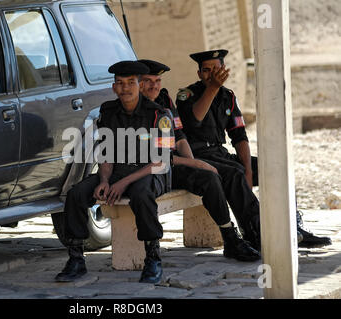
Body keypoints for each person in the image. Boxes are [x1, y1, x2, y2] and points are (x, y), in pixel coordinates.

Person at [176, 49, 331, 248]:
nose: (212, 75)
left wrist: (249, 169)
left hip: (220, 153)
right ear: (199, 74)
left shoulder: (228, 97)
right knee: (234, 173)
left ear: (224, 70)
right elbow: (194, 120)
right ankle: (255, 233)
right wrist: (212, 88)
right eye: (206, 71)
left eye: (216, 69)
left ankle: (292, 226)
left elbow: (239, 135)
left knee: (274, 167)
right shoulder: (186, 95)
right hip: (198, 156)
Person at [55, 60, 175, 284]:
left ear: (139, 86)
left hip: (152, 173)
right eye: (120, 83)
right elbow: (106, 154)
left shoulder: (159, 115)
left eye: (131, 83)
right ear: (114, 87)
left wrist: (122, 183)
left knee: (141, 195)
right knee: (76, 194)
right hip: (117, 171)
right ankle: (76, 259)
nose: (125, 88)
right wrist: (104, 180)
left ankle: (153, 259)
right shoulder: (108, 112)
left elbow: (161, 161)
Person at [138, 59, 260, 261]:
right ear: (138, 83)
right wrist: (194, 163)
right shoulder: (179, 97)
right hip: (156, 168)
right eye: (148, 81)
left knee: (269, 167)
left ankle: (282, 225)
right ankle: (232, 237)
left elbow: (179, 136)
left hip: (178, 161)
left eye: (157, 80)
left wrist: (193, 164)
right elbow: (154, 153)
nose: (154, 86)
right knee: (214, 177)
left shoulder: (164, 99)